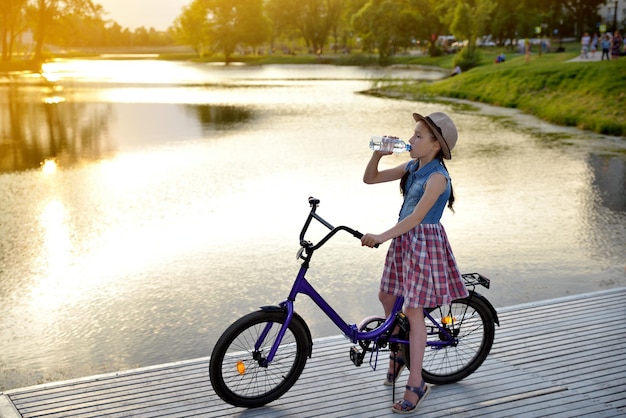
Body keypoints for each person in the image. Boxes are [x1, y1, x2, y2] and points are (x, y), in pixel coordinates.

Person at [361, 112, 470, 414]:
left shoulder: (437, 178)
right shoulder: (413, 167)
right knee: (387, 295)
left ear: (436, 145)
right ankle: (398, 351)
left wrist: (381, 236)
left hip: (423, 244)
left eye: (419, 136)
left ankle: (417, 382)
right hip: (404, 241)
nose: (410, 140)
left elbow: (417, 218)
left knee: (413, 310)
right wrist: (377, 155)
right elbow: (370, 178)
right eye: (414, 134)